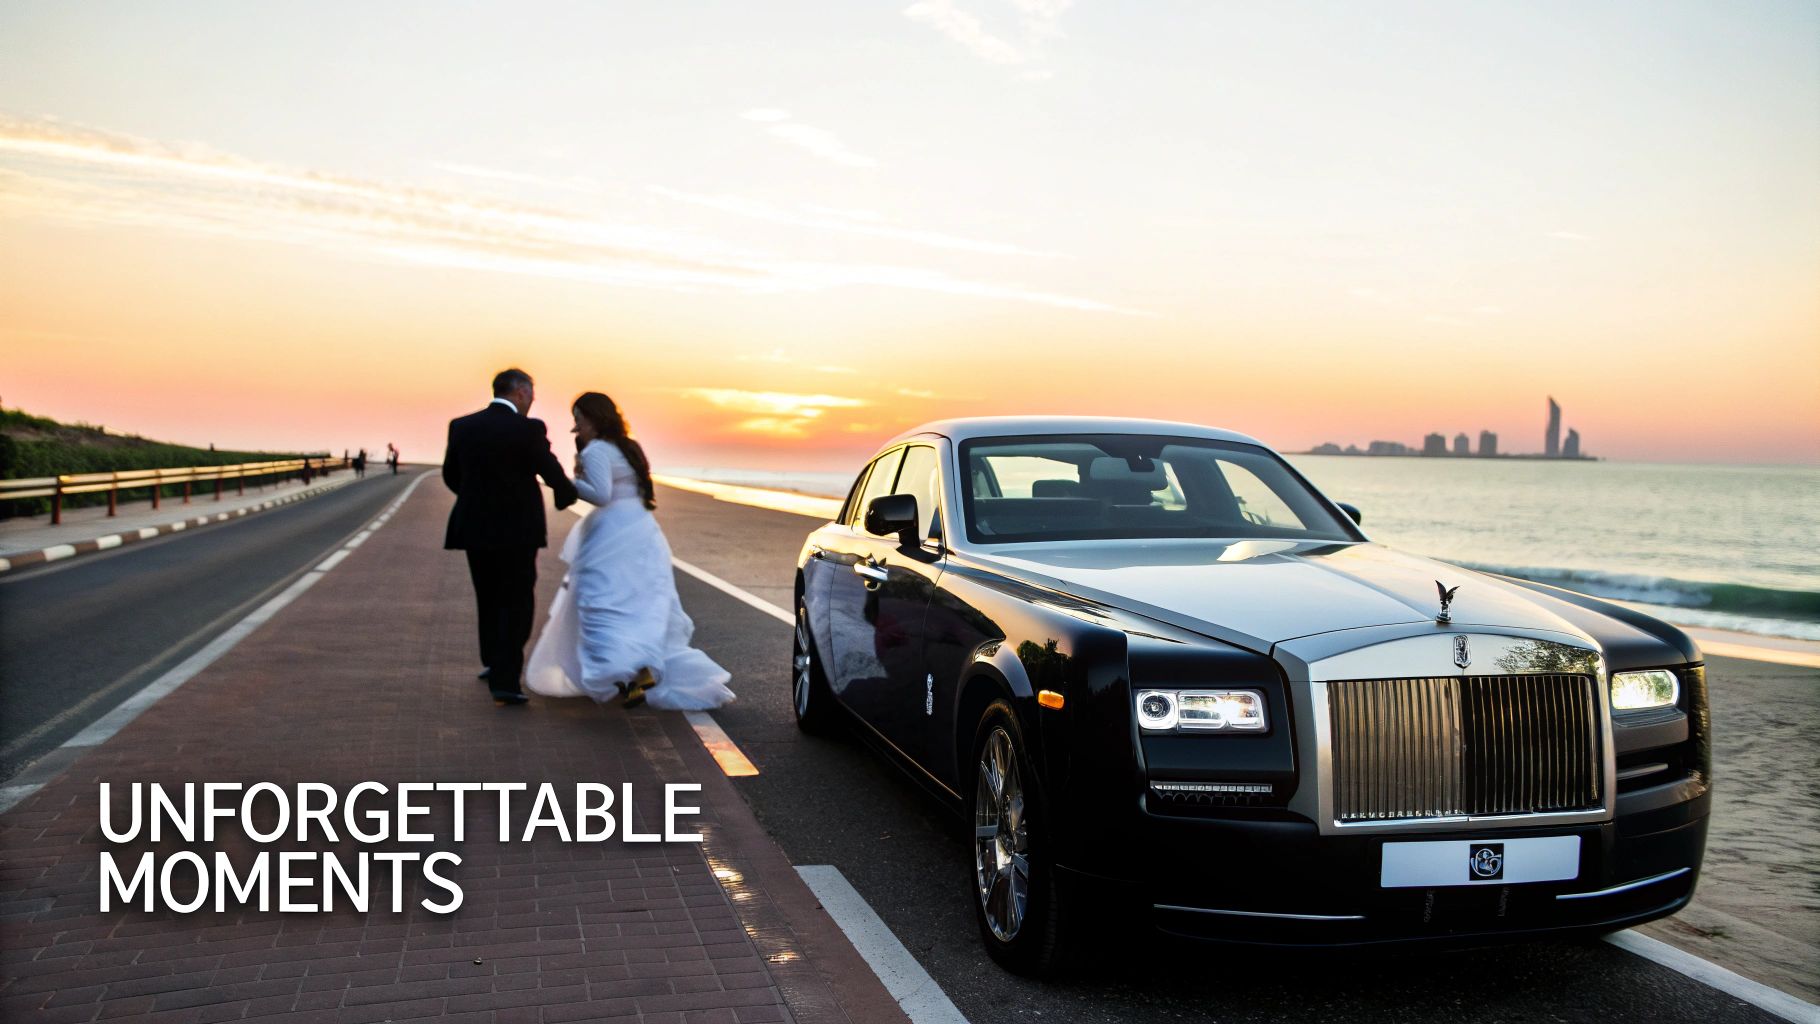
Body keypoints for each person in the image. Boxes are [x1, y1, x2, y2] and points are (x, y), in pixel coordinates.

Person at [526, 392, 733, 710]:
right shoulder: (628, 447)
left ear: (594, 418)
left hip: (610, 535)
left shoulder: (596, 450)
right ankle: (643, 669)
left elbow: (601, 494)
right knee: (638, 602)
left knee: (598, 601)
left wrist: (562, 482)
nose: (575, 427)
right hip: (641, 531)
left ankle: (621, 667)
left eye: (578, 419)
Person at [443, 369, 578, 706]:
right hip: (518, 531)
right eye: (531, 393)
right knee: (517, 602)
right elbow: (551, 471)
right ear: (520, 391)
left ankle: (492, 661)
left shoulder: (462, 426)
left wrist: (477, 499)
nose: (532, 400)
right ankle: (505, 679)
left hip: (473, 527)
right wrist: (566, 496)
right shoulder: (528, 429)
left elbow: (451, 475)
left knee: (486, 596)